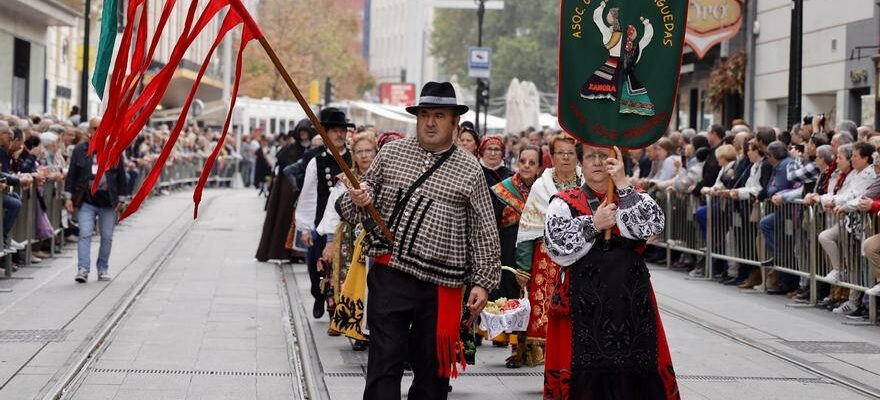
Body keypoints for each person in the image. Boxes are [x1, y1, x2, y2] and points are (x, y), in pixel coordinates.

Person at [337, 82, 501, 400]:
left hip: (441, 286)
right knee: (384, 363)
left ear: (454, 122)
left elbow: (484, 230)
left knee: (432, 373)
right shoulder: (392, 153)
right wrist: (357, 198)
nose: (429, 122)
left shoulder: (470, 169)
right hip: (390, 273)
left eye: (439, 115)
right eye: (424, 114)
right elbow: (353, 206)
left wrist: (483, 281)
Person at [543, 144, 678, 399]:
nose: (597, 162)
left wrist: (623, 185)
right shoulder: (564, 201)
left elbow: (652, 226)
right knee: (586, 373)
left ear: (617, 162)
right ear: (580, 162)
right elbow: (555, 246)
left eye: (604, 157)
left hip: (630, 302)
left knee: (637, 368)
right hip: (584, 300)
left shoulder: (635, 195)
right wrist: (593, 225)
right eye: (590, 156)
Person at [514, 133, 583, 366]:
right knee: (544, 309)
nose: (565, 157)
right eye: (560, 153)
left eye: (570, 153)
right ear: (551, 157)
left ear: (577, 156)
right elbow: (527, 228)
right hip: (546, 257)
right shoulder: (540, 186)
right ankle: (549, 361)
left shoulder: (588, 183)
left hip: (581, 255)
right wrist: (523, 268)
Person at [295, 108, 354, 319]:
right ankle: (318, 296)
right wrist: (304, 226)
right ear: (326, 134)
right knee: (315, 266)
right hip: (321, 222)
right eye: (335, 131)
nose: (339, 135)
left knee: (341, 270)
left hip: (348, 226)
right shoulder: (316, 161)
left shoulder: (354, 160)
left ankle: (335, 308)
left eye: (342, 131)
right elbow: (308, 194)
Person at [320, 133, 378, 345]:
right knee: (350, 284)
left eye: (368, 151)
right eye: (359, 151)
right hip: (348, 241)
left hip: (374, 240)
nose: (364, 156)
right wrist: (328, 242)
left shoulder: (383, 177)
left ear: (376, 152)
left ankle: (372, 330)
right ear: (353, 155)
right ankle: (356, 331)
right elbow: (333, 210)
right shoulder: (345, 180)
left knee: (373, 285)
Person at [489, 145, 542, 368]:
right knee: (515, 299)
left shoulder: (544, 190)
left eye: (532, 162)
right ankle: (517, 349)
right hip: (509, 250)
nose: (527, 166)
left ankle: (535, 347)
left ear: (539, 166)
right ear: (517, 163)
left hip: (539, 249)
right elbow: (492, 224)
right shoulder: (503, 190)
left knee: (535, 300)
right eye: (523, 161)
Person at [64, 119, 128, 283]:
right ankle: (83, 269)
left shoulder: (114, 149)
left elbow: (121, 175)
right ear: (89, 130)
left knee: (107, 237)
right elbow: (72, 174)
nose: (99, 131)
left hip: (108, 201)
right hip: (87, 200)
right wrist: (68, 197)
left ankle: (102, 268)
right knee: (84, 234)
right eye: (95, 128)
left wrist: (122, 198)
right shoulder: (81, 149)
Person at [255, 120, 315, 262]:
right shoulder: (291, 149)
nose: (304, 135)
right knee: (285, 219)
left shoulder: (313, 148)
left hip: (306, 188)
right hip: (290, 191)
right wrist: (295, 184)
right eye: (301, 132)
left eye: (306, 132)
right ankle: (285, 252)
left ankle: (300, 252)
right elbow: (285, 167)